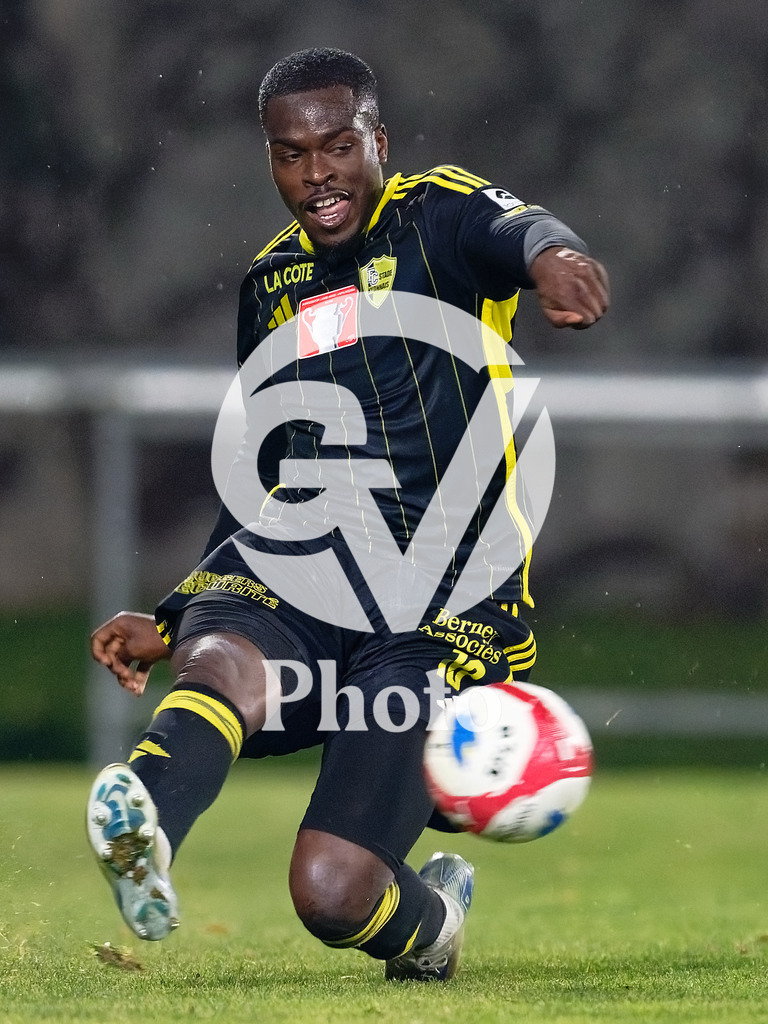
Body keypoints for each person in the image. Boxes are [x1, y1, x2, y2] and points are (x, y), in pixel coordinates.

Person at [86, 47, 609, 982]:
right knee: (221, 653)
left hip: (438, 608)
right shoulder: (272, 284)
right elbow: (266, 470)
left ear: (378, 139)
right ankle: (145, 825)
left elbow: (522, 230)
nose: (315, 173)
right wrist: (172, 612)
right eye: (290, 155)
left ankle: (434, 919)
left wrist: (557, 257)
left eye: (335, 146)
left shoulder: (437, 216)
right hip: (304, 567)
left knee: (331, 892)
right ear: (271, 160)